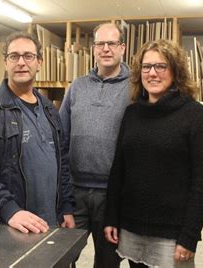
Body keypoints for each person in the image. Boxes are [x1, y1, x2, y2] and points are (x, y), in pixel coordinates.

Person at [104, 39, 203, 267]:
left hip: (172, 234)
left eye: (160, 66)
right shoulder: (132, 114)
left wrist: (189, 236)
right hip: (131, 227)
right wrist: (111, 217)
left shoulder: (194, 115)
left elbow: (202, 181)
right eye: (146, 67)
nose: (152, 73)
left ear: (175, 71)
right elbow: (118, 170)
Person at [0, 31, 75, 234]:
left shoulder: (49, 109)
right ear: (6, 62)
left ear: (39, 62)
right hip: (15, 225)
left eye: (28, 56)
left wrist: (66, 206)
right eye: (14, 56)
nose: (21, 62)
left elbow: (62, 162)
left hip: (53, 220)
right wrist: (10, 211)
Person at [59, 22, 130, 267]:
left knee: (108, 261)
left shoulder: (135, 88)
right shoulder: (76, 86)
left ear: (122, 47)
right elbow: (61, 137)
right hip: (75, 191)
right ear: (94, 48)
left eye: (112, 43)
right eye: (100, 43)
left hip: (112, 194)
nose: (106, 49)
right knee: (61, 256)